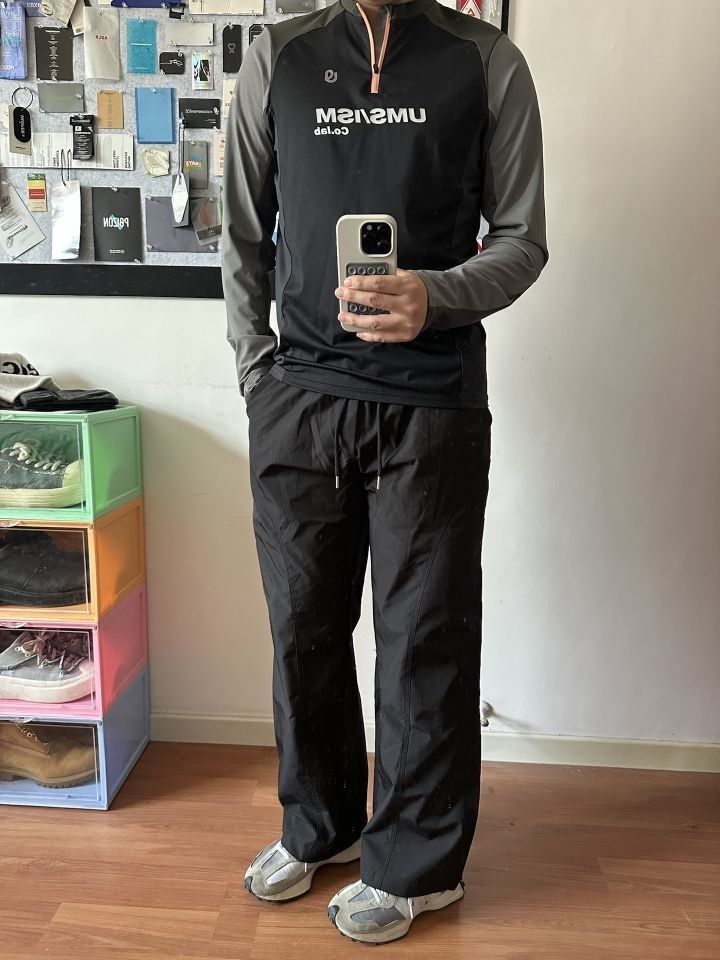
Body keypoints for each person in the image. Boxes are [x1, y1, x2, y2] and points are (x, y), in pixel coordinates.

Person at [221, 0, 547, 944]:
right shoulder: (276, 56)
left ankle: (418, 867)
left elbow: (522, 237)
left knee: (423, 641)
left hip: (432, 404)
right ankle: (320, 827)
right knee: (304, 630)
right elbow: (241, 231)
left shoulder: (485, 61)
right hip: (299, 400)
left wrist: (435, 296)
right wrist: (256, 374)